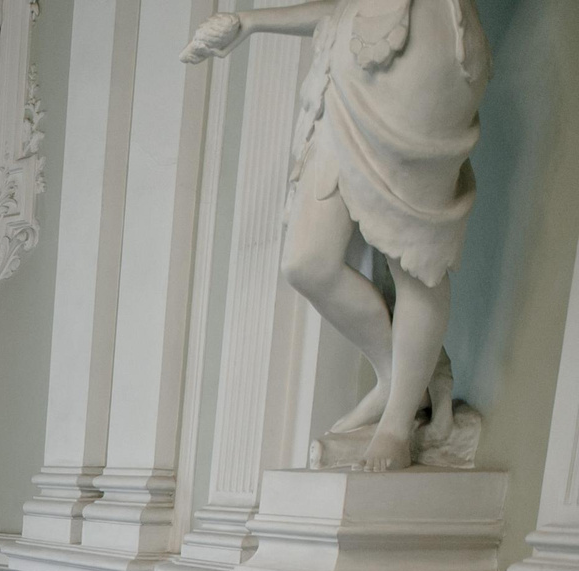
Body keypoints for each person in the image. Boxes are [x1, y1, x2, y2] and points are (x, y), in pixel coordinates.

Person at [183, 0, 490, 472]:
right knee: (306, 263)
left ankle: (396, 422)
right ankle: (402, 381)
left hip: (426, 65)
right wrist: (252, 22)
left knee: (416, 263)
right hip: (346, 68)